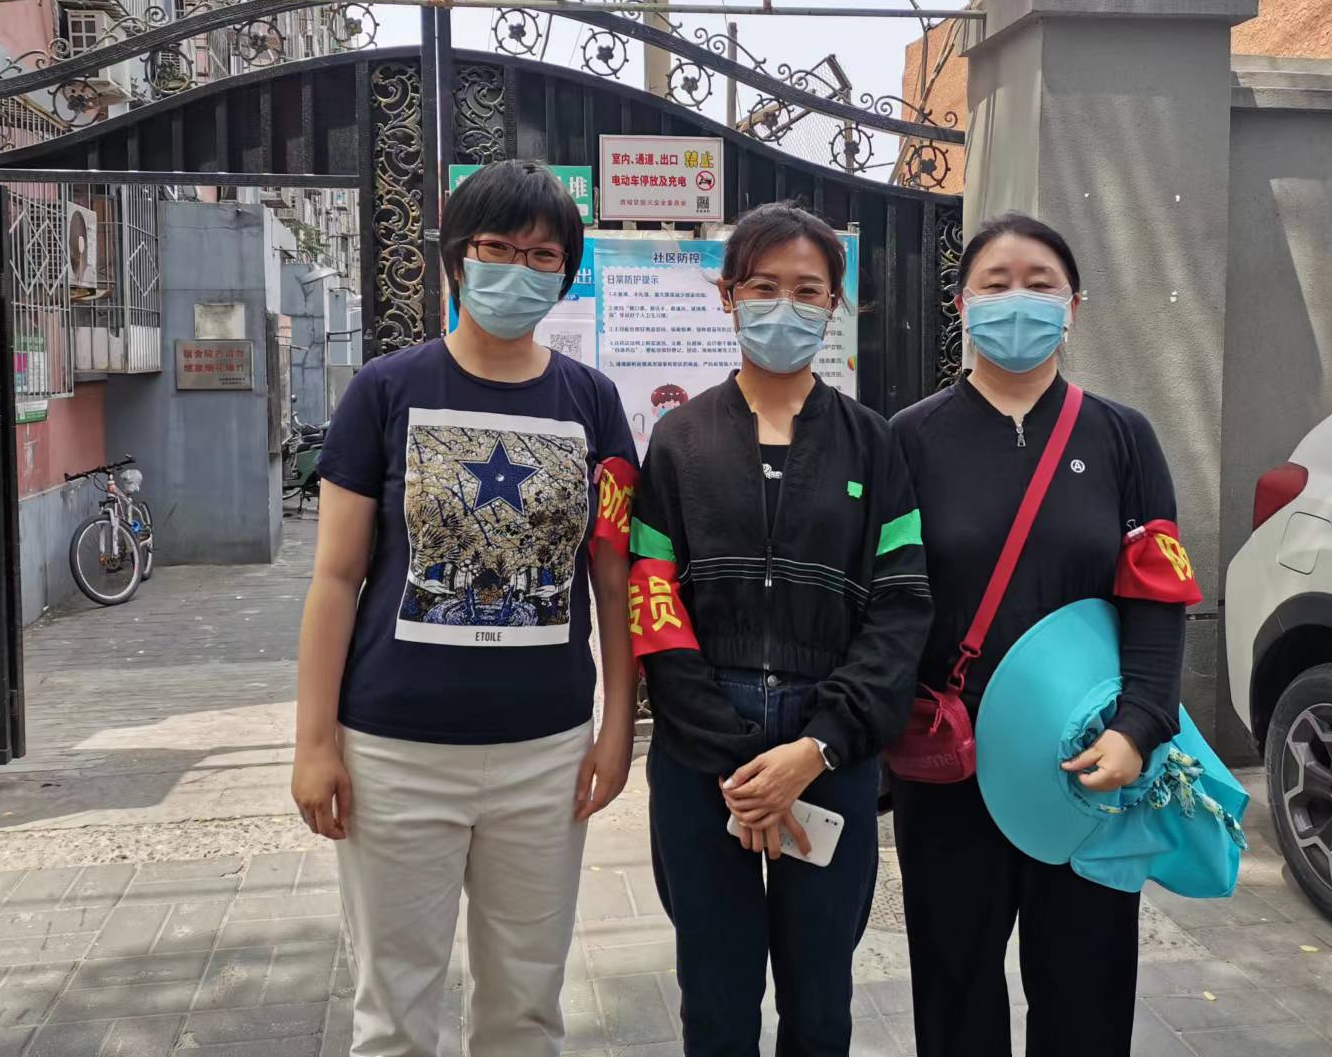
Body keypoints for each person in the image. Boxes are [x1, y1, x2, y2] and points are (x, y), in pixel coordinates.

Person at [291, 160, 640, 1057]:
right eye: (497, 248)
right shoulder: (385, 390)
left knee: (526, 1005)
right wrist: (314, 742)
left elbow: (612, 581)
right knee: (395, 1011)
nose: (519, 270)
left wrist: (615, 731)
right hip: (394, 753)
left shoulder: (593, 402)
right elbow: (335, 577)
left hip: (546, 753)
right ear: (456, 257)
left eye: (543, 255)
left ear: (566, 274)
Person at [889, 213, 1197, 1056]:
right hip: (954, 768)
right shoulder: (910, 438)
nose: (1017, 300)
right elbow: (889, 603)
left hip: (1092, 768)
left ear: (1074, 306)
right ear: (962, 305)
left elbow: (1158, 596)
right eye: (995, 284)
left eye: (1040, 284)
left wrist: (1140, 727)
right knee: (954, 987)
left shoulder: (1122, 436)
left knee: (1086, 988)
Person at [631, 201, 932, 1056]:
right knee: (716, 1001)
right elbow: (652, 600)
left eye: (807, 290)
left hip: (829, 751)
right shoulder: (680, 442)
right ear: (728, 295)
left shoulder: (873, 445)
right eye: (763, 287)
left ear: (835, 303)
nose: (784, 307)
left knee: (821, 999)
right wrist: (736, 763)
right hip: (702, 761)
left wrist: (818, 747)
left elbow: (901, 605)